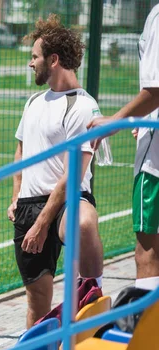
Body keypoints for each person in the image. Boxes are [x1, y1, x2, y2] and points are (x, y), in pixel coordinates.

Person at [7, 15, 104, 328]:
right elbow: (20, 153)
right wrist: (15, 197)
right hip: (29, 204)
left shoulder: (83, 106)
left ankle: (93, 293)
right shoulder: (34, 101)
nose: (30, 63)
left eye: (34, 57)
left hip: (65, 200)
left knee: (84, 222)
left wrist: (42, 223)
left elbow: (73, 175)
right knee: (37, 307)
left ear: (53, 59)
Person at [87, 4, 159, 301]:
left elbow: (155, 89)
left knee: (148, 253)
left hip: (156, 160)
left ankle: (148, 342)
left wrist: (116, 122)